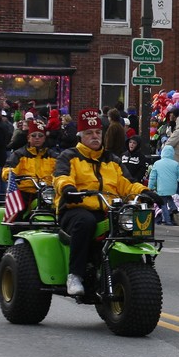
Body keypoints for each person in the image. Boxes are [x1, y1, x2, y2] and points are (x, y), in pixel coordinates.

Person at [54, 109, 158, 296]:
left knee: (132, 222)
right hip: (75, 207)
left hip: (108, 208)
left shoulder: (112, 159)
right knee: (85, 222)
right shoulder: (68, 156)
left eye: (97, 133)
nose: (94, 137)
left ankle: (125, 270)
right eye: (89, 133)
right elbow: (61, 177)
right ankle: (75, 275)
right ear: (81, 136)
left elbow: (127, 184)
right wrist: (69, 189)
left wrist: (146, 192)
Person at [2, 118, 58, 210]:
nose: (37, 138)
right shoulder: (19, 154)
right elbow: (7, 168)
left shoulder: (53, 156)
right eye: (34, 135)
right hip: (26, 191)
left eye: (40, 136)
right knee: (18, 211)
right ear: (28, 138)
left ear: (44, 138)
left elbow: (62, 171)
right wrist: (10, 174)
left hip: (48, 192)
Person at [147, 144, 179, 225]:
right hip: (172, 187)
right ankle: (174, 208)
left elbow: (152, 177)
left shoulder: (157, 163)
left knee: (163, 204)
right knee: (169, 197)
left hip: (161, 187)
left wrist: (150, 187)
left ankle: (167, 220)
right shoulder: (175, 164)